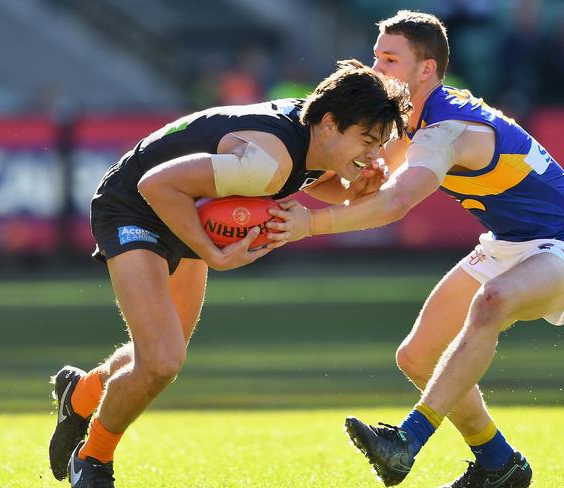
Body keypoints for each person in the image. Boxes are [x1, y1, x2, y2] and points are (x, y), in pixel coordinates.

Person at [267, 11, 564, 488]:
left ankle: (408, 440)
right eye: (375, 55)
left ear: (425, 70)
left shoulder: (445, 129)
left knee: (492, 302)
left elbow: (398, 201)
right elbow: (366, 183)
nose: (376, 67)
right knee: (417, 357)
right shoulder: (413, 120)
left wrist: (311, 224)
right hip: (507, 245)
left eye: (389, 58)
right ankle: (499, 464)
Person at [48, 59, 411, 488]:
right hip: (135, 203)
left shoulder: (316, 132)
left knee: (160, 357)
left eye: (380, 143)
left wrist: (353, 187)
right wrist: (212, 254)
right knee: (161, 360)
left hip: (190, 203)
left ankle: (82, 394)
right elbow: (155, 184)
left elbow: (315, 177)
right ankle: (92, 460)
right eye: (367, 141)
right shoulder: (268, 161)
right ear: (330, 123)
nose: (374, 154)